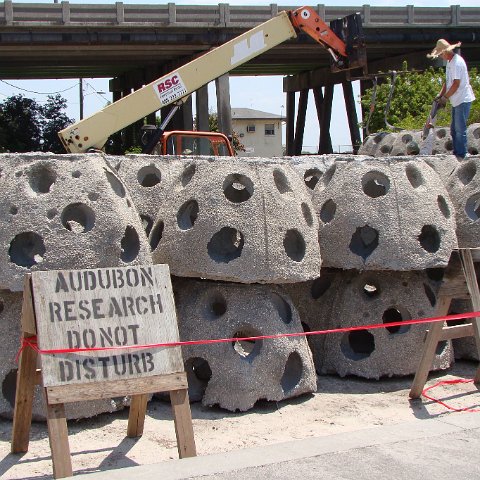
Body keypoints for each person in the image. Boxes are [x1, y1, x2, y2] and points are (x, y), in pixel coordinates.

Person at [428, 39, 475, 160]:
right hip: (456, 100)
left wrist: (445, 98)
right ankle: (457, 152)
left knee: (460, 129)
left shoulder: (457, 63)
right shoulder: (450, 62)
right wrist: (440, 95)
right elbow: (447, 82)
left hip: (462, 99)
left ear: (446, 52)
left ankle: (462, 154)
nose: (441, 56)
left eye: (441, 54)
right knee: (454, 129)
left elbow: (456, 84)